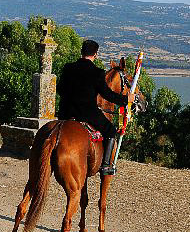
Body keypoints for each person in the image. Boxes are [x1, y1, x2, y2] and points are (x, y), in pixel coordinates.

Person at [56, 40, 135, 176]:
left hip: (65, 113)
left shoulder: (68, 67)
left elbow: (59, 89)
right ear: (95, 54)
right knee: (110, 130)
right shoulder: (97, 72)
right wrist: (126, 99)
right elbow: (107, 94)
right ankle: (105, 166)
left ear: (81, 52)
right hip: (86, 114)